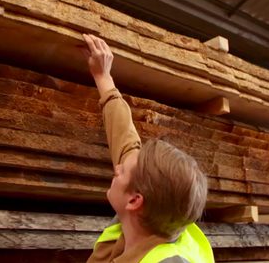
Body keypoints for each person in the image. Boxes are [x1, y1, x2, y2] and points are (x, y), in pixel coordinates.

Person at [82, 34, 214, 263]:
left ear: (135, 201)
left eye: (122, 172)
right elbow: (126, 142)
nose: (117, 167)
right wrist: (103, 77)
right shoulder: (162, 212)